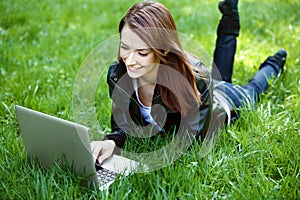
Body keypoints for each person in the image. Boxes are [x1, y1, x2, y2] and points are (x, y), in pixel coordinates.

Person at [91, 0, 287, 165]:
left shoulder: (197, 80)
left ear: (164, 50)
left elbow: (192, 144)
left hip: (220, 102)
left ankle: (275, 61)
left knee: (251, 91)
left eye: (142, 52)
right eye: (125, 47)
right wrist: (111, 143)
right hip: (204, 87)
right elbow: (124, 127)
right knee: (220, 75)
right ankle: (229, 15)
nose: (130, 60)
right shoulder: (118, 76)